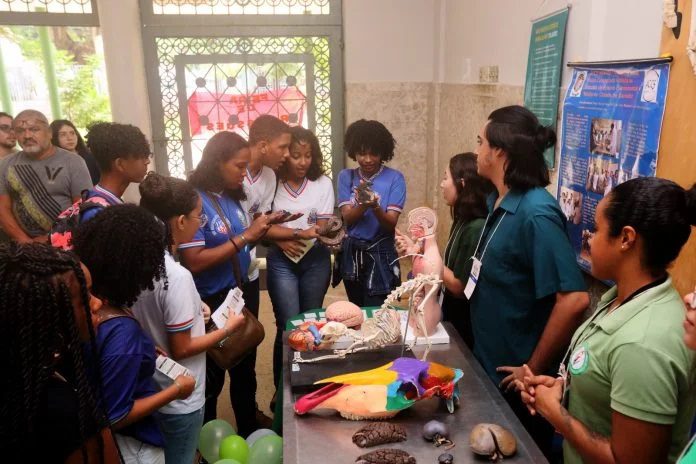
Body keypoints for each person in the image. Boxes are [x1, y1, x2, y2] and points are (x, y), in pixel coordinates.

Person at [517, 177, 696, 464]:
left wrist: (556, 414)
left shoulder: (643, 343)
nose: (589, 237)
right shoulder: (623, 298)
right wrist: (563, 391)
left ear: (626, 238)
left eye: (597, 230)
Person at [471, 105, 589, 457]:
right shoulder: (498, 199)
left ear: (499, 152)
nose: (477, 150)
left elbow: (575, 299)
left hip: (518, 385)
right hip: (488, 363)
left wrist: (531, 368)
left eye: (480, 142)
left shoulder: (536, 212)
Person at [134, 172, 246, 464]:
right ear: (181, 222)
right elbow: (182, 348)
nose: (201, 224)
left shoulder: (137, 262)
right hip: (179, 396)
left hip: (150, 388)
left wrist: (197, 310)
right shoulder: (176, 276)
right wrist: (228, 329)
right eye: (199, 218)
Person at [73, 204, 196, 464]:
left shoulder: (98, 304)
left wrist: (143, 346)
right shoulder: (122, 333)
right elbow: (115, 416)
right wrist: (175, 390)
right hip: (133, 449)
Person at [180, 131, 281, 436]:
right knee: (212, 376)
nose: (244, 173)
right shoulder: (193, 199)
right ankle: (207, 441)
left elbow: (241, 241)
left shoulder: (230, 195)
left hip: (238, 291)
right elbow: (194, 259)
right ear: (217, 162)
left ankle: (248, 426)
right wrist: (245, 238)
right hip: (210, 300)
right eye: (239, 166)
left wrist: (259, 230)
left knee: (244, 366)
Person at [1, 242, 120, 463]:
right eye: (85, 296)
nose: (97, 303)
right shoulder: (67, 417)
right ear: (48, 323)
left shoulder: (23, 364)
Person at [397, 153, 491, 349]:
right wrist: (416, 251)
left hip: (463, 321)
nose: (441, 184)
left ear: (462, 184)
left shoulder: (476, 227)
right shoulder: (462, 220)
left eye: (445, 177)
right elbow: (441, 269)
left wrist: (424, 255)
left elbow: (458, 285)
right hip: (447, 309)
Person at [265, 126, 334, 386]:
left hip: (315, 261)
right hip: (282, 262)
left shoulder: (322, 183)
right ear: (285, 155)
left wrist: (323, 231)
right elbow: (260, 225)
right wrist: (285, 239)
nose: (303, 162)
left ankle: (308, 382)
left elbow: (324, 226)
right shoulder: (272, 181)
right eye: (295, 155)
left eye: (308, 155)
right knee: (288, 325)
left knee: (310, 323)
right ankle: (281, 388)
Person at [240, 114, 292, 421]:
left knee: (247, 344)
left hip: (247, 271)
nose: (286, 154)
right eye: (283, 147)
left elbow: (260, 225)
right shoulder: (231, 171)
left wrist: (279, 231)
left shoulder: (270, 177)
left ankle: (249, 415)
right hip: (222, 274)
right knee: (220, 353)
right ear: (262, 145)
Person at [336, 119, 406, 306]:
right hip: (352, 255)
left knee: (376, 312)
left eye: (373, 153)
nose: (367, 159)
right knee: (357, 310)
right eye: (361, 153)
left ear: (383, 151)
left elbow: (391, 223)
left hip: (382, 257)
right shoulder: (346, 177)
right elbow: (347, 218)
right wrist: (364, 205)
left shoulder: (395, 178)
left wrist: (374, 206)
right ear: (353, 152)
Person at [0, 109, 92, 242]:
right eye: (20, 131)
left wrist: (52, 239)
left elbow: (83, 209)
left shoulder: (73, 162)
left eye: (34, 129)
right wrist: (24, 241)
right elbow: (3, 208)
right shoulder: (6, 164)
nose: (27, 135)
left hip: (67, 244)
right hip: (21, 247)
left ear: (49, 133)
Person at [80, 122, 151, 223]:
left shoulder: (104, 200)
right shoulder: (98, 214)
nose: (147, 161)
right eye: (142, 157)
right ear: (120, 164)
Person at [51, 119, 101, 184]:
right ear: (54, 138)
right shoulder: (52, 163)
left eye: (72, 133)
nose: (69, 138)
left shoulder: (91, 157)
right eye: (63, 135)